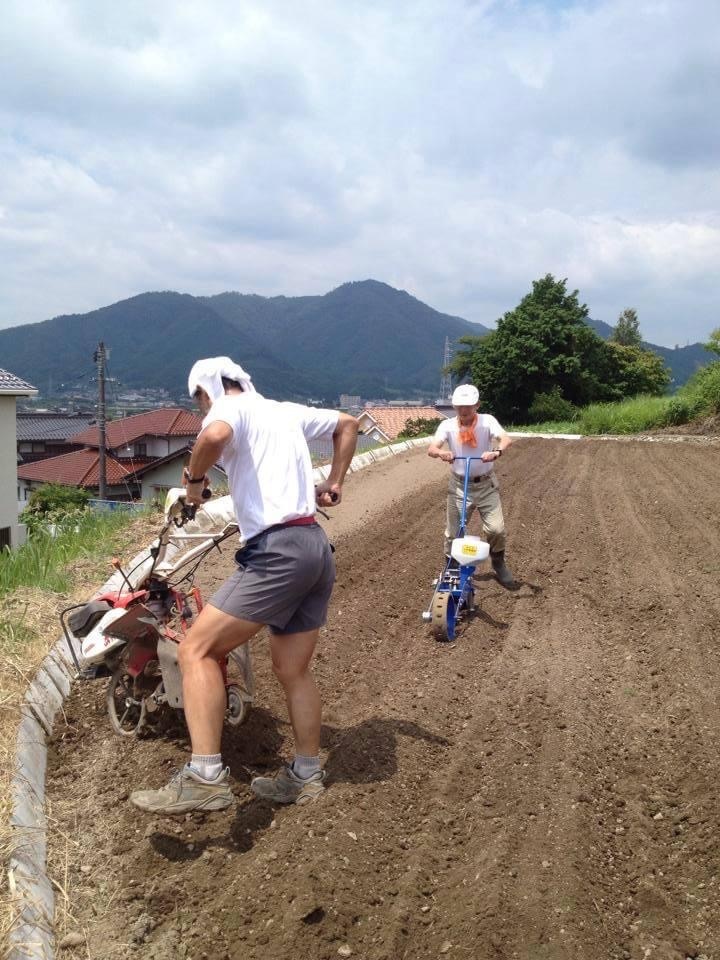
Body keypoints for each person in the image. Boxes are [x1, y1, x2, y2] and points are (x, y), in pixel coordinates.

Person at [130, 357, 358, 814]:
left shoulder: (227, 409)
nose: (201, 411)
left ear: (206, 391)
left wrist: (193, 485)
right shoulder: (282, 409)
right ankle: (307, 775)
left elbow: (213, 437)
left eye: (199, 402)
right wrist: (332, 482)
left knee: (197, 649)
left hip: (277, 554)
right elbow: (349, 424)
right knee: (292, 670)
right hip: (313, 545)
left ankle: (205, 776)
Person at [427, 384, 514, 587]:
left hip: (485, 484)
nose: (463, 411)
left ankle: (498, 563)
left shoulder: (487, 421)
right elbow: (432, 448)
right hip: (458, 486)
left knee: (496, 529)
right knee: (454, 532)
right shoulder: (447, 426)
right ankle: (450, 568)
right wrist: (441, 453)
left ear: (477, 405)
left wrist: (496, 452)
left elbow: (506, 439)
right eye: (459, 406)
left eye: (467, 406)